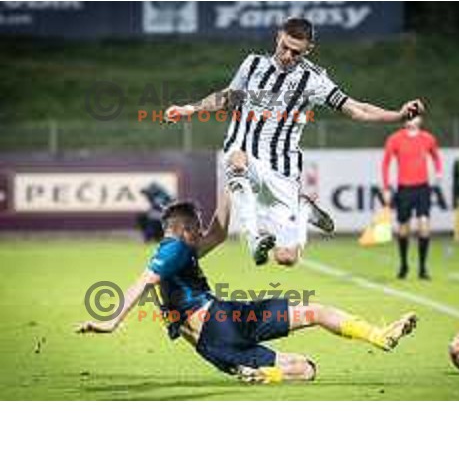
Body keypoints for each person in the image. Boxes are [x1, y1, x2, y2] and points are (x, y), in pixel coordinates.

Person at [165, 17, 424, 267]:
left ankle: (301, 211)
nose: (288, 56)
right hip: (243, 159)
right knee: (232, 173)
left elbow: (357, 109)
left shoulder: (314, 80)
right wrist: (190, 108)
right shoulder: (252, 65)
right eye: (284, 47)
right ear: (278, 37)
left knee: (287, 258)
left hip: (281, 171)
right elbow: (227, 97)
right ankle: (244, 242)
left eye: (296, 52)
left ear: (308, 50)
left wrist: (398, 115)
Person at [77, 198, 418, 384]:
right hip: (224, 320)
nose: (201, 232)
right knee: (316, 311)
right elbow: (142, 281)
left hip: (214, 349)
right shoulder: (173, 249)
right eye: (196, 228)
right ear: (182, 230)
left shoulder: (182, 250)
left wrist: (232, 183)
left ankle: (262, 373)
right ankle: (379, 335)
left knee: (307, 369)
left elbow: (219, 233)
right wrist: (110, 321)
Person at [381, 116, 442, 279]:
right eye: (408, 115)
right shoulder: (395, 139)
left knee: (424, 224)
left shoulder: (428, 138)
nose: (411, 119)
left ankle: (422, 268)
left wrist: (438, 172)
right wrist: (386, 187)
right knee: (403, 229)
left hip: (423, 188)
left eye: (414, 115)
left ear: (421, 119)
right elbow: (386, 163)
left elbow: (436, 156)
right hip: (404, 189)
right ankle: (404, 265)